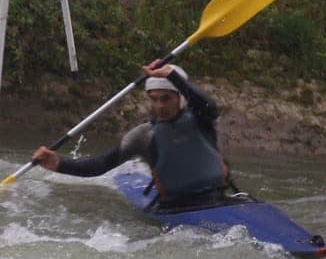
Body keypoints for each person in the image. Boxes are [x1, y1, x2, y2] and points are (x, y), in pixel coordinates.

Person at [31, 60, 231, 209]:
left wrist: (171, 75)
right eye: (154, 99)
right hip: (177, 210)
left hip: (219, 201)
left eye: (166, 98)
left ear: (181, 99)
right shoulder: (143, 136)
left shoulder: (201, 119)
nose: (159, 106)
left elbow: (208, 105)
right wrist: (58, 164)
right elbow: (101, 164)